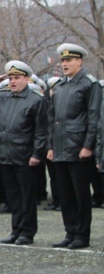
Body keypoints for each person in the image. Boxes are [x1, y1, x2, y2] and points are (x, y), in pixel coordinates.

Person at [0, 61, 47, 245]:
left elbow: (41, 131)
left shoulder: (35, 100)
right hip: (6, 153)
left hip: (25, 155)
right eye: (10, 78)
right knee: (13, 196)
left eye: (17, 78)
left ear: (26, 79)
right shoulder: (3, 97)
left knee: (27, 196)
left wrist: (36, 154)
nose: (13, 81)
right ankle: (16, 230)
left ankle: (27, 232)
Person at [48, 43, 101, 250]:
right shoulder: (60, 86)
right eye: (62, 61)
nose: (65, 64)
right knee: (65, 194)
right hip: (61, 147)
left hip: (78, 147)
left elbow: (93, 116)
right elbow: (52, 118)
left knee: (80, 194)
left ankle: (82, 234)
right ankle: (70, 232)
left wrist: (88, 145)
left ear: (80, 61)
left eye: (69, 60)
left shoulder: (89, 84)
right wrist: (51, 145)